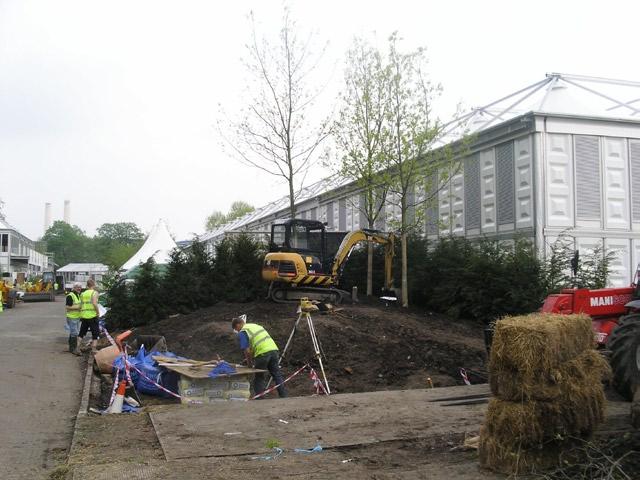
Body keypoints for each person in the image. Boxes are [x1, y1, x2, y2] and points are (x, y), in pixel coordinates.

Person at [231, 315, 287, 399]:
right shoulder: (255, 326)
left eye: (236, 329)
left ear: (238, 324)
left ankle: (260, 400)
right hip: (274, 351)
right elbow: (257, 343)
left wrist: (249, 363)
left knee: (259, 377)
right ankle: (283, 396)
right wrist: (250, 357)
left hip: (263, 353)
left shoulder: (243, 331)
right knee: (276, 374)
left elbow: (246, 350)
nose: (237, 331)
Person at [78, 278, 100, 353]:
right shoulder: (95, 293)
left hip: (84, 316)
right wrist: (98, 312)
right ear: (93, 285)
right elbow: (94, 303)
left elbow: (80, 305)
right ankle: (94, 349)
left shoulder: (82, 294)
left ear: (87, 285)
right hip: (92, 316)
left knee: (81, 333)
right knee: (95, 334)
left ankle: (77, 348)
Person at [66, 283, 83, 355]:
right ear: (74, 288)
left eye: (80, 287)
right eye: (78, 287)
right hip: (71, 317)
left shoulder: (78, 295)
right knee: (75, 333)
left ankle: (71, 348)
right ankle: (74, 349)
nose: (79, 288)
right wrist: (78, 308)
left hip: (77, 317)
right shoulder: (70, 295)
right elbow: (68, 307)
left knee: (73, 332)